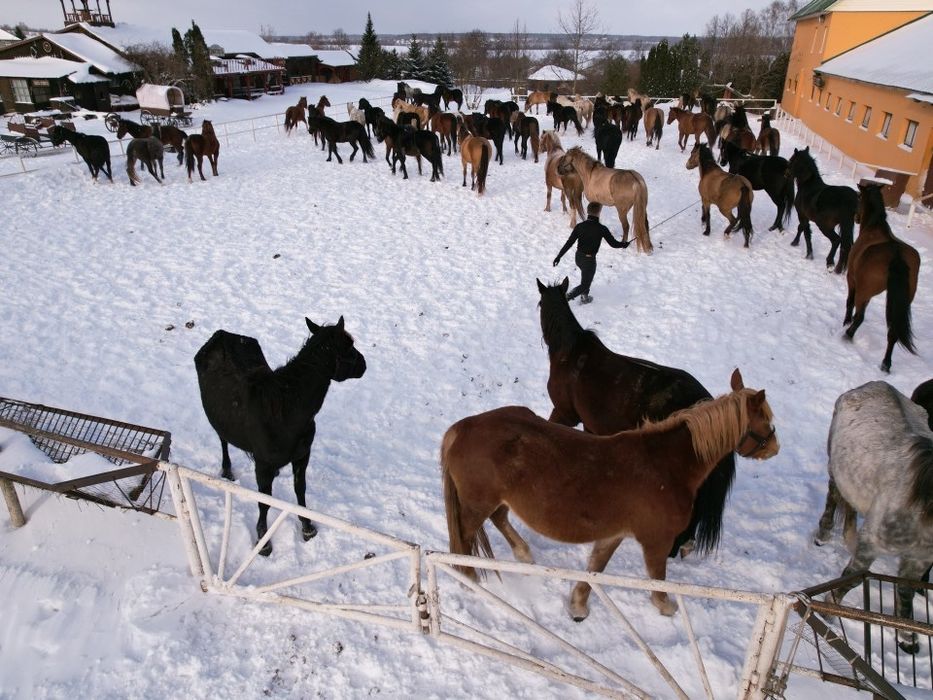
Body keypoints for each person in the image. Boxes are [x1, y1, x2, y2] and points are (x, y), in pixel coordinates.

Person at [552, 202, 629, 303]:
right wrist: (624, 244)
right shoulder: (602, 229)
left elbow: (569, 243)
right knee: (585, 284)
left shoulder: (579, 226)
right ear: (599, 212)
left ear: (588, 211)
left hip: (578, 258)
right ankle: (566, 297)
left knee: (586, 277)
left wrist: (558, 257)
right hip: (589, 261)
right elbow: (613, 244)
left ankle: (585, 297)